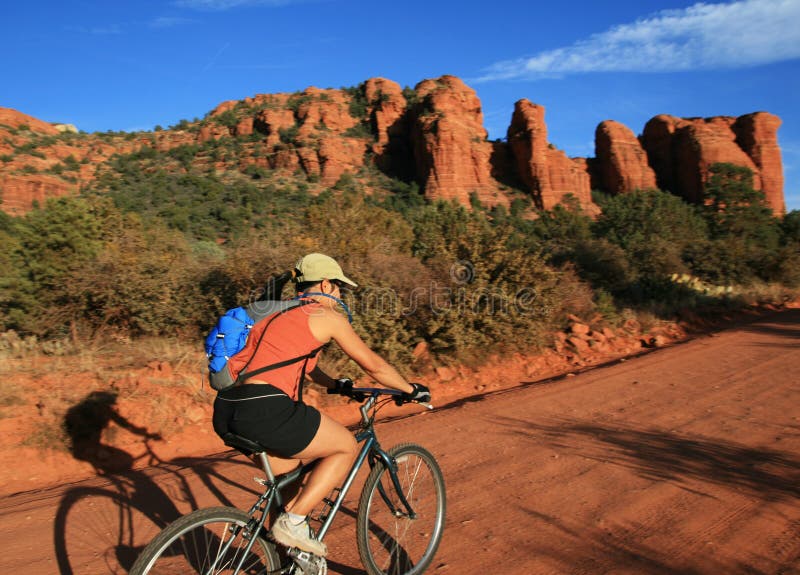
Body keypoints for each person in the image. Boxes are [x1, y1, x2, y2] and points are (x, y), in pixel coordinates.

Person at [212, 253, 430, 557]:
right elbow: (374, 366)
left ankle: (287, 558)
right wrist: (410, 389)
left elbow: (308, 368)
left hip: (228, 408)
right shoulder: (325, 317)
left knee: (290, 480)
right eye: (339, 288)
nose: (340, 295)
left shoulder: (280, 313)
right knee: (344, 445)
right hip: (267, 410)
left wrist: (339, 386)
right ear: (326, 284)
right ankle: (294, 522)